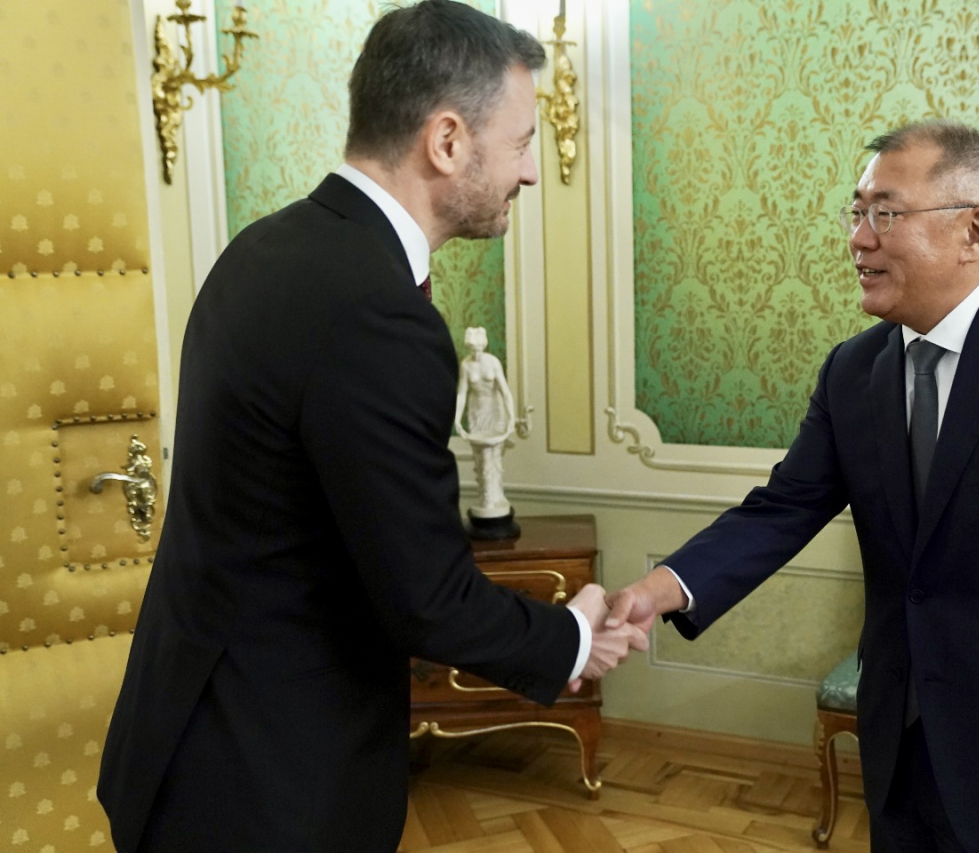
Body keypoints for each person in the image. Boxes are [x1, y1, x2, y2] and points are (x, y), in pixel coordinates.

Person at [97, 4, 646, 852]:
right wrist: (569, 635)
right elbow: (424, 596)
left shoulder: (264, 248)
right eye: (522, 141)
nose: (530, 173)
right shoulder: (376, 311)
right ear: (448, 140)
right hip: (268, 782)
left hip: (185, 740)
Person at [607, 120, 979, 853]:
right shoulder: (852, 370)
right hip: (902, 745)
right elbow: (784, 507)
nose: (858, 238)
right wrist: (658, 589)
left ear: (975, 230)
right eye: (856, 211)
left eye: (886, 213)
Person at [455, 326, 516, 528]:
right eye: (472, 350)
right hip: (476, 412)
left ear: (484, 346)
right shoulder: (466, 365)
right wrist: (457, 419)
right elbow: (462, 393)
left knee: (494, 455)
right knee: (481, 456)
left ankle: (494, 497)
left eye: (478, 350)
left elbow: (505, 391)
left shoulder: (493, 362)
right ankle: (486, 497)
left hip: (494, 409)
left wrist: (511, 418)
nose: (476, 354)